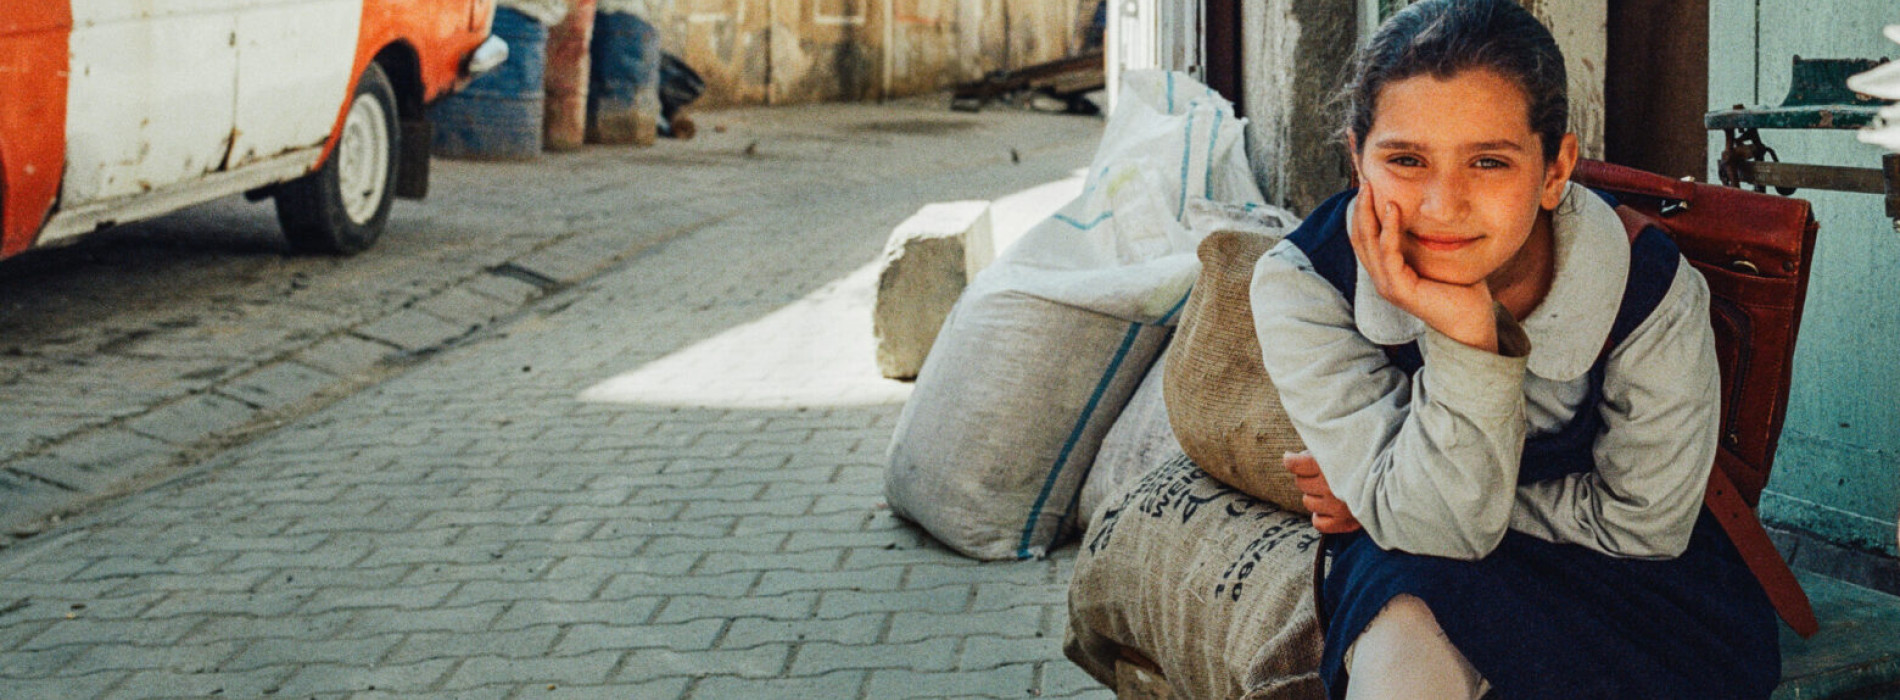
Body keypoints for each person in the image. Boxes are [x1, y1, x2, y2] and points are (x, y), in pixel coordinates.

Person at [1248, 1, 1780, 697]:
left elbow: (1643, 524)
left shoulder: (1649, 287)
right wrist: (1467, 336)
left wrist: (1387, 495)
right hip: (1423, 565)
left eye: (1489, 161)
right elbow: (1436, 531)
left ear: (1556, 168)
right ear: (1357, 158)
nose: (1443, 204)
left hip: (1635, 587)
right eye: (1405, 159)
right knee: (1405, 600)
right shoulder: (1306, 285)